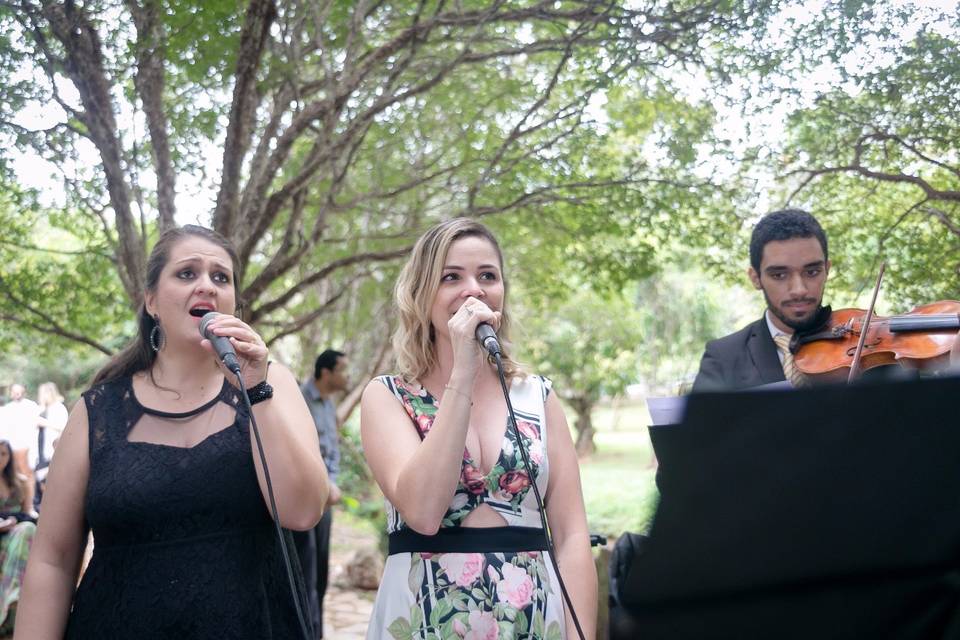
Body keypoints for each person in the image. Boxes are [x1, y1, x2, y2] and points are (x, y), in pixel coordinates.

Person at [14, 225, 329, 639]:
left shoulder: (273, 384)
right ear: (151, 301)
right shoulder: (97, 412)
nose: (207, 286)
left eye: (221, 277)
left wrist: (256, 391)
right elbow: (51, 561)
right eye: (187, 274)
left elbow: (303, 512)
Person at [360, 218, 597, 639]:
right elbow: (423, 512)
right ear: (421, 294)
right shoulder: (388, 396)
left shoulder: (538, 396)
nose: (473, 289)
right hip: (425, 615)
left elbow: (572, 534)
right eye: (451, 277)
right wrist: (463, 372)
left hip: (532, 617)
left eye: (487, 275)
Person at [692, 209, 831, 392]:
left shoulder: (865, 353)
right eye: (780, 275)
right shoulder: (723, 358)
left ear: (827, 269)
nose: (799, 290)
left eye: (812, 272)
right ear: (755, 278)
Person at [293, 349, 348, 638]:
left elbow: (333, 452)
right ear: (325, 373)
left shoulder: (328, 405)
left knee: (321, 576)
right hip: (303, 500)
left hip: (327, 501)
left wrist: (333, 483)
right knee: (305, 573)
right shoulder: (298, 400)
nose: (347, 376)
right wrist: (324, 485)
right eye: (342, 369)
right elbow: (298, 452)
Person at [0, 440, 37, 636]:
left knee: (28, 529)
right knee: (26, 532)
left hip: (17, 533)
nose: (0, 459)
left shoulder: (20, 482)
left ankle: (13, 597)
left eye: (4, 454)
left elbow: (29, 511)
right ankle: (12, 599)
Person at [0, 385, 38, 513]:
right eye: (14, 392)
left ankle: (30, 505)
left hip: (24, 445)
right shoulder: (7, 409)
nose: (17, 394)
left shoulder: (30, 406)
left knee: (25, 476)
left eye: (19, 391)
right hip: (10, 444)